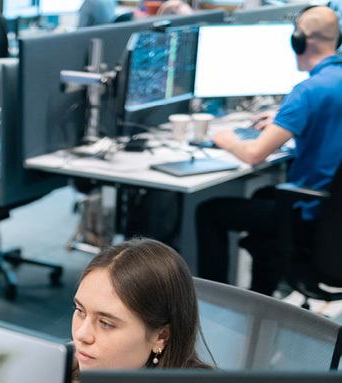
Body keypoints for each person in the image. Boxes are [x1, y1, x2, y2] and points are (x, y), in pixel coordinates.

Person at [195, 6, 342, 295]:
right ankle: (261, 300)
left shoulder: (307, 91)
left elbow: (254, 154)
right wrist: (283, 119)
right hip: (333, 215)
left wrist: (228, 139)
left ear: (300, 41)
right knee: (263, 196)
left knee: (209, 212)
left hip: (311, 216)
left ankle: (214, 302)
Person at [72, 238, 211, 376]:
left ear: (161, 337)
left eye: (106, 324)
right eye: (80, 311)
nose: (81, 335)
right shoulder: (61, 368)